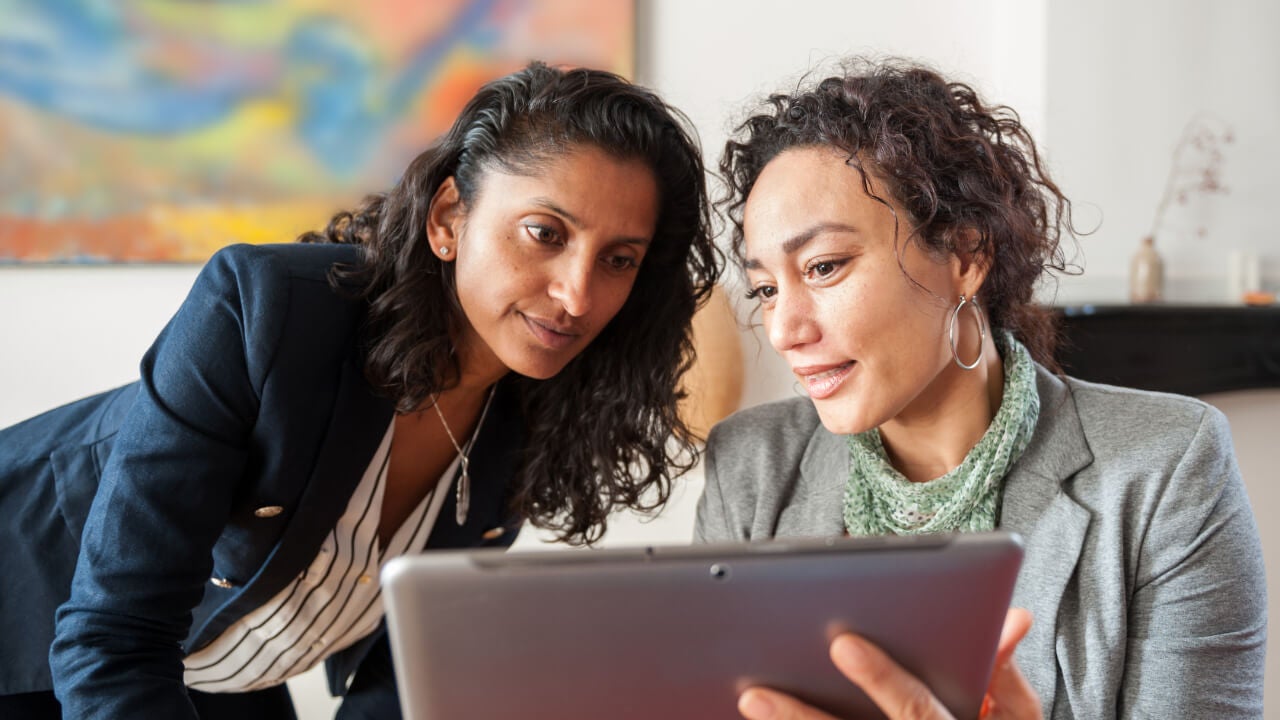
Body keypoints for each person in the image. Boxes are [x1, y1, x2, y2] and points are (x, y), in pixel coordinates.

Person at [0, 61, 720, 719]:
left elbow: (405, 663)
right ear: (448, 220)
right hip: (38, 635)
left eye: (619, 259)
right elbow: (115, 638)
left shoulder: (540, 402)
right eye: (544, 232)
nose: (576, 294)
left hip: (225, 668)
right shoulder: (263, 313)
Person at [697, 57, 1266, 719]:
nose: (784, 329)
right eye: (766, 288)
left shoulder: (1166, 467)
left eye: (824, 266)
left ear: (966, 256)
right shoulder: (749, 471)